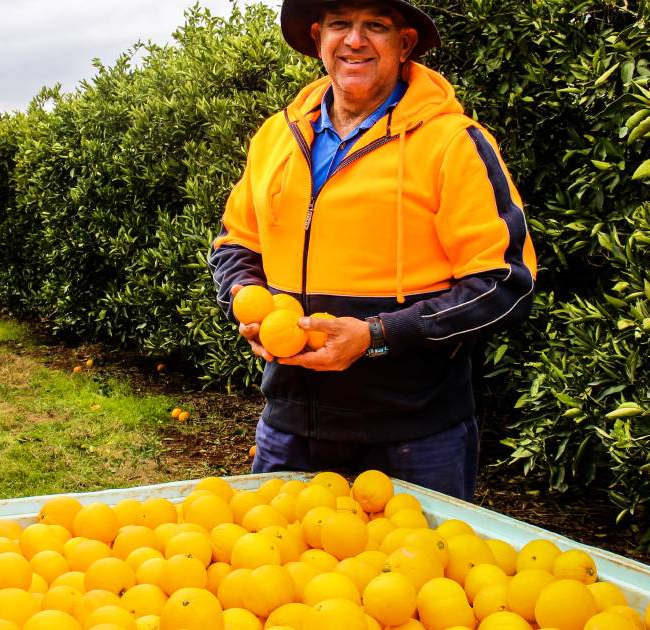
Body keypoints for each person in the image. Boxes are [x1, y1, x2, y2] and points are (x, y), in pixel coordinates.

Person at [208, 0, 537, 500]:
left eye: (375, 26)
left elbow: (503, 282)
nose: (355, 41)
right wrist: (244, 297)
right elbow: (236, 241)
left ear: (404, 43)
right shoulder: (276, 137)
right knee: (271, 574)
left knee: (419, 575)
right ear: (319, 38)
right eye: (340, 25)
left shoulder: (452, 143)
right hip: (291, 426)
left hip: (414, 437)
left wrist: (377, 335)